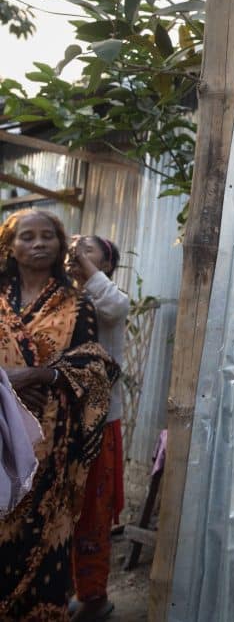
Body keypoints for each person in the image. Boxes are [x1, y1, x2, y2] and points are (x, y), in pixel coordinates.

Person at [0, 210, 120, 621]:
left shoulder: (78, 304)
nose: (37, 244)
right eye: (26, 237)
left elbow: (94, 368)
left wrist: (40, 373)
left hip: (52, 442)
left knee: (42, 532)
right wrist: (6, 380)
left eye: (47, 236)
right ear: (9, 247)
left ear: (59, 243)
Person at [65, 235, 130, 621]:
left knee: (93, 508)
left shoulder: (109, 298)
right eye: (72, 245)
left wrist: (82, 265)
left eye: (87, 248)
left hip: (99, 425)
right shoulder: (56, 296)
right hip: (58, 425)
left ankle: (92, 597)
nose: (76, 251)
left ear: (105, 264)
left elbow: (115, 305)